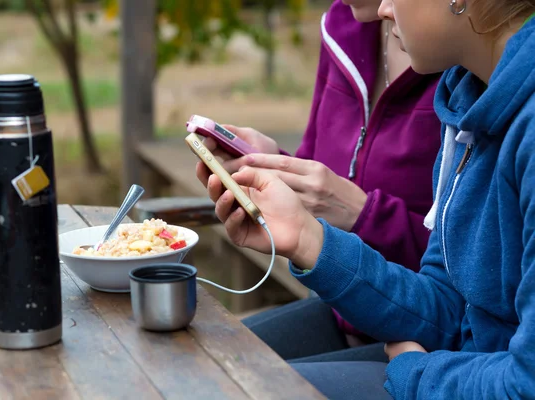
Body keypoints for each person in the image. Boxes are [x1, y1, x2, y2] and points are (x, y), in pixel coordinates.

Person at [200, 0, 535, 398]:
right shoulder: (466, 102)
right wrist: (309, 240)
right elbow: (450, 308)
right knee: (212, 377)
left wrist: (418, 373)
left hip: (458, 378)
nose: (383, 8)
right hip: (455, 367)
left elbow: (525, 382)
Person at [199, 0, 441, 362]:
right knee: (205, 364)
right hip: (338, 309)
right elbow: (321, 171)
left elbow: (468, 273)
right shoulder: (341, 29)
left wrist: (363, 214)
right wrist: (273, 164)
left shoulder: (458, 61)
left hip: (422, 339)